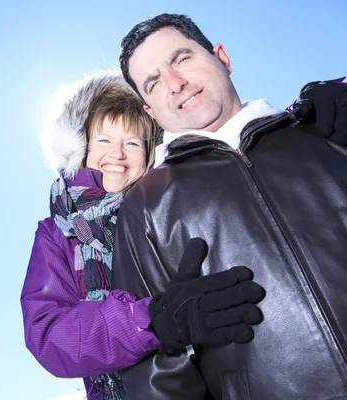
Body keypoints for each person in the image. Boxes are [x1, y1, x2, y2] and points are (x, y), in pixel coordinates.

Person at [21, 68, 346, 399]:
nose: (117, 154)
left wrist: (312, 112)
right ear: (81, 149)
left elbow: (240, 160)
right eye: (104, 141)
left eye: (131, 142)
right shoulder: (59, 233)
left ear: (151, 151)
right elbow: (48, 333)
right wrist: (149, 320)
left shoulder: (171, 200)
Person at [111, 13, 347, 399]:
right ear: (150, 111)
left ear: (222, 57)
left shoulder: (325, 129)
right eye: (153, 83)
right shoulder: (145, 207)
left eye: (182, 58)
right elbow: (155, 374)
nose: (175, 84)